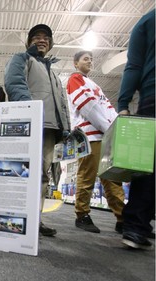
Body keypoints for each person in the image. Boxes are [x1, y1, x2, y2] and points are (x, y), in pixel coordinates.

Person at [4, 24, 71, 237]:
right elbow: (14, 83)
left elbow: (62, 103)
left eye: (46, 38)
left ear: (50, 44)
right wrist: (29, 111)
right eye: (37, 37)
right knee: (22, 172)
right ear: (29, 42)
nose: (42, 40)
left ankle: (35, 219)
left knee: (43, 176)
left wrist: (67, 128)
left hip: (51, 129)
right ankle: (14, 218)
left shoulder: (54, 74)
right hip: (32, 124)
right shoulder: (22, 58)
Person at [66, 51, 125, 233]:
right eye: (85, 59)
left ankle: (123, 218)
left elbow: (106, 107)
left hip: (105, 134)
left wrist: (114, 128)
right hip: (90, 136)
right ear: (76, 63)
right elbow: (87, 105)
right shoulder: (75, 79)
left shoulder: (94, 84)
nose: (89, 62)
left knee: (112, 178)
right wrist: (109, 127)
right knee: (87, 175)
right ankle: (82, 214)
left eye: (91, 59)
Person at [117, 9, 155, 250]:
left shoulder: (147, 20)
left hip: (152, 95)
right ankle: (137, 224)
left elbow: (134, 65)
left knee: (148, 164)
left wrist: (124, 103)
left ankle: (136, 225)